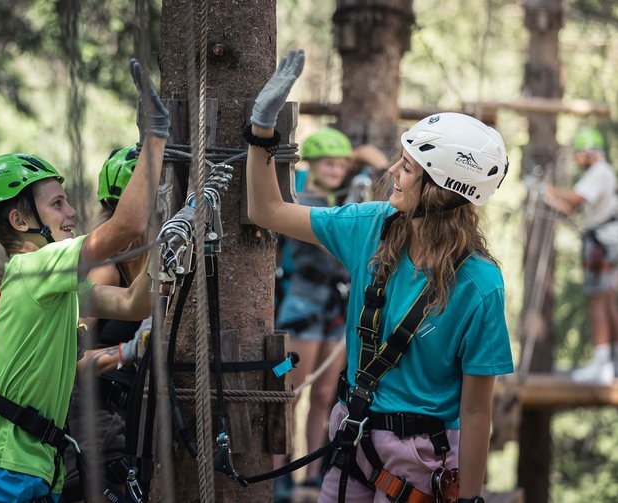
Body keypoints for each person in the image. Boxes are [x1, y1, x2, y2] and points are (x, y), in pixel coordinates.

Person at [245, 49, 513, 503]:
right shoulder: (369, 227)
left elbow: (475, 409)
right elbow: (266, 211)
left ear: (439, 190)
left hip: (422, 468)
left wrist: (469, 497)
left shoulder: (480, 285)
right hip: (353, 449)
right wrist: (261, 133)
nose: (392, 171)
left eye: (407, 167)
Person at [0, 58, 169, 503]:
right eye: (57, 204)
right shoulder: (35, 268)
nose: (72, 213)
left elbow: (136, 304)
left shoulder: (55, 287)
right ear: (19, 221)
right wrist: (156, 137)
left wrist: (163, 248)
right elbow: (126, 227)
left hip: (29, 470)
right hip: (9, 474)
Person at [62, 145, 152, 501]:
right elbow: (68, 358)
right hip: (94, 418)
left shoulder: (137, 268)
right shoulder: (105, 268)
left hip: (123, 415)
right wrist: (126, 352)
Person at [274, 127, 352, 498]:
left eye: (341, 165)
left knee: (324, 395)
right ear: (315, 165)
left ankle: (311, 474)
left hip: (335, 313)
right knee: (288, 387)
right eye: (329, 163)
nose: (335, 170)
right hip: (301, 308)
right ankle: (280, 470)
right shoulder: (301, 198)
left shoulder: (342, 201)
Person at [545, 126, 618, 384]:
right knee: (606, 299)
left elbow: (574, 199)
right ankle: (610, 360)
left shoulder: (599, 172)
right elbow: (569, 208)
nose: (577, 159)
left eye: (579, 154)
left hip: (602, 243)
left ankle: (602, 365)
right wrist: (549, 199)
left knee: (597, 300)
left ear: (589, 152)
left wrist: (550, 190)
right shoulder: (600, 174)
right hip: (606, 240)